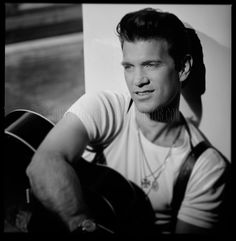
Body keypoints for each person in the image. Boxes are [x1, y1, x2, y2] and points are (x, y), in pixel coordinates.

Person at [26, 8, 230, 235]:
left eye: (151, 65)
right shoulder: (105, 108)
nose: (138, 80)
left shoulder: (205, 169)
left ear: (182, 68)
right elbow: (42, 164)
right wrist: (82, 224)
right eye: (129, 67)